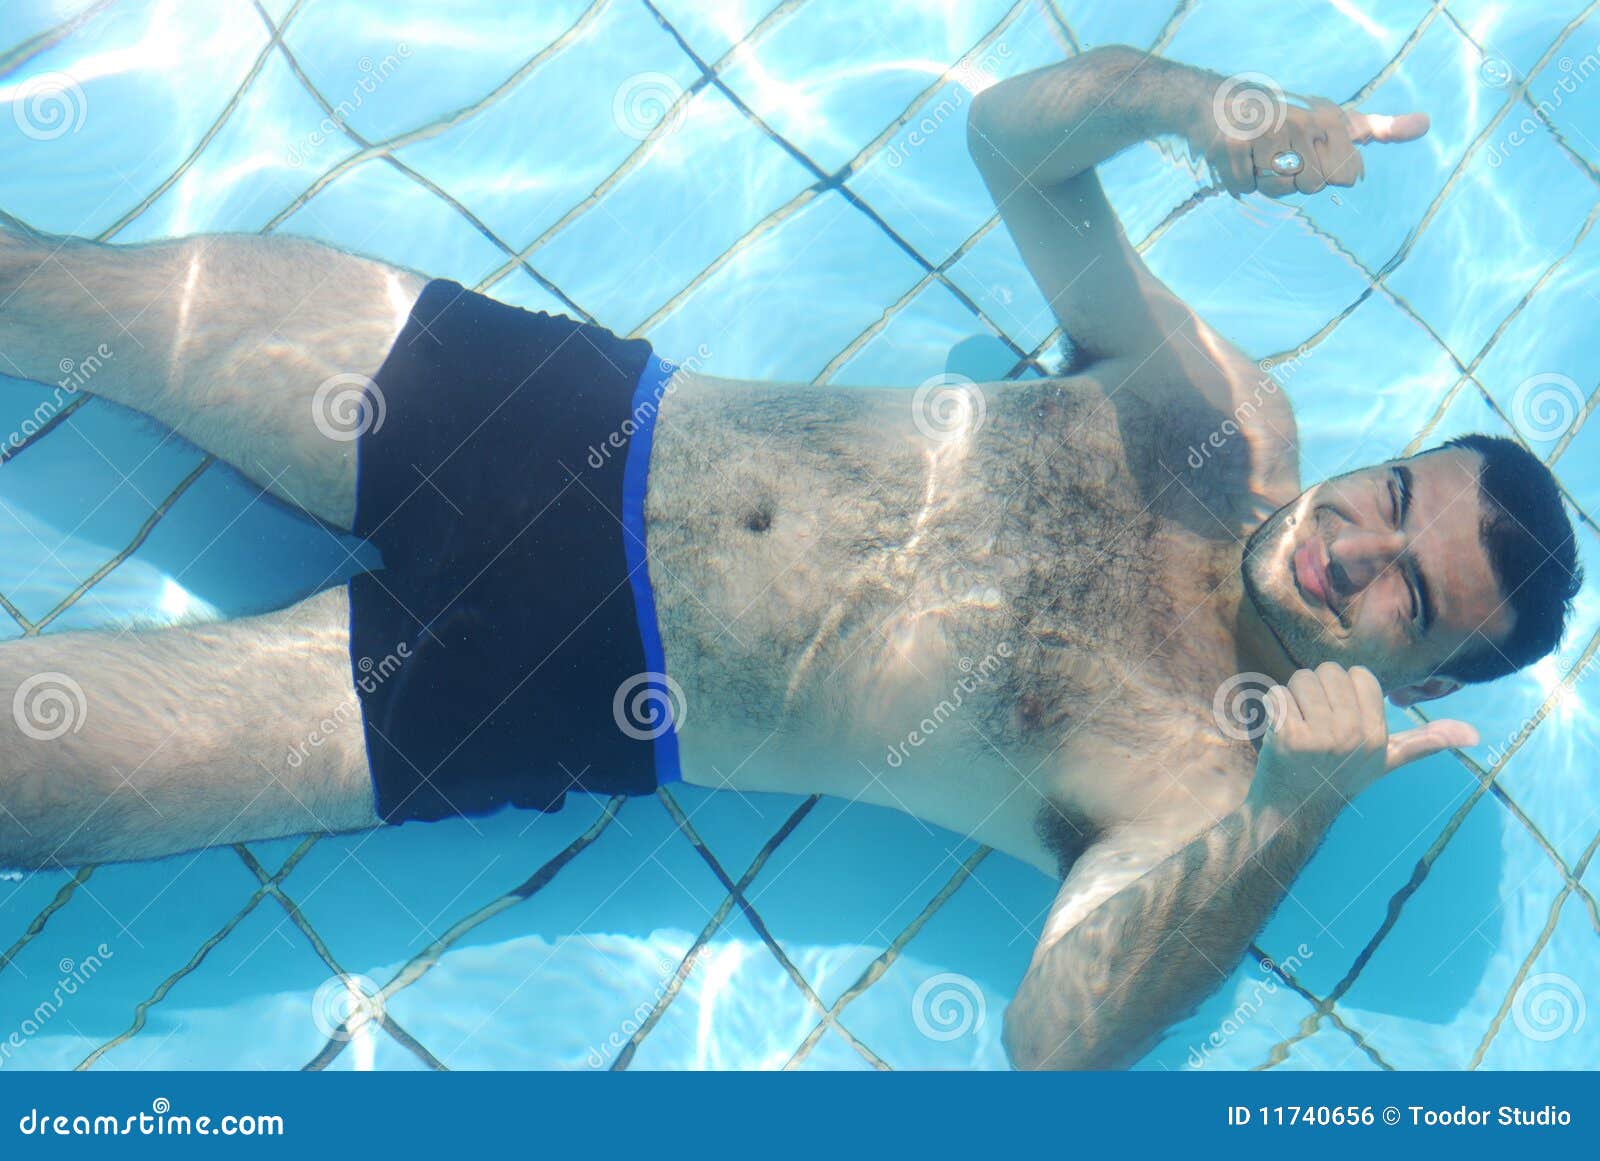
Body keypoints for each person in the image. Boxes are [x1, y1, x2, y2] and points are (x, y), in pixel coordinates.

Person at [0, 45, 1579, 1069]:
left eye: (1406, 593)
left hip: (553, 680)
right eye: (1389, 495)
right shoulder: (1221, 413)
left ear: (1421, 673)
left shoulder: (1212, 792)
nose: (1352, 549)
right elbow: (1012, 148)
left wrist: (1295, 823)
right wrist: (1186, 108)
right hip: (558, 410)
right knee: (43, 291)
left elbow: (1055, 1040)